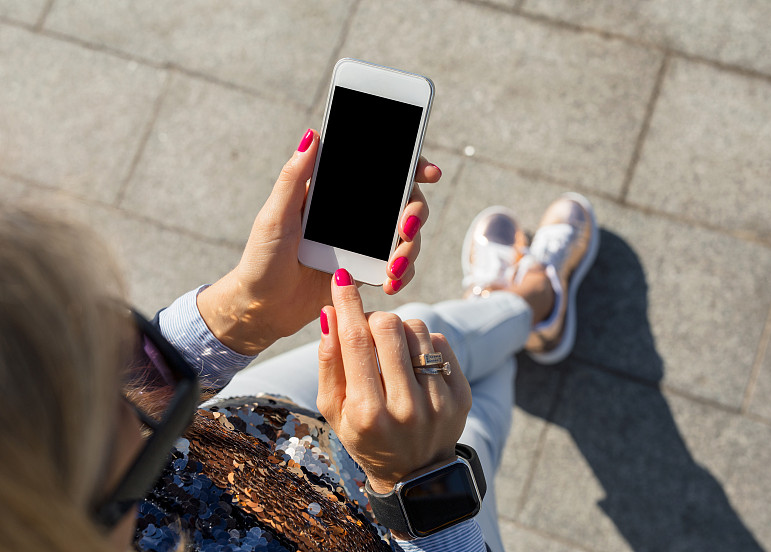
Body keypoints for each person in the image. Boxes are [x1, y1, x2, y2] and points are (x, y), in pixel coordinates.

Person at [0, 128, 598, 552]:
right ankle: (533, 301)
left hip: (253, 428)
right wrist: (424, 491)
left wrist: (247, 309)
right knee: (472, 420)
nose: (125, 384)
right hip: (382, 517)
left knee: (430, 340)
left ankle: (519, 307)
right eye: (99, 398)